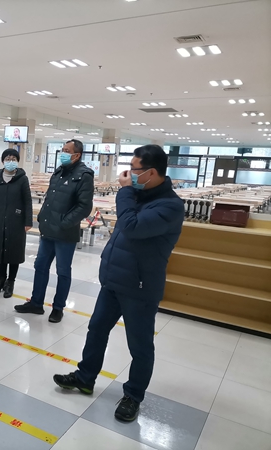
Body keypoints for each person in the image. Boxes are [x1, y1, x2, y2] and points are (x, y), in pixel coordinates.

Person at [53, 145, 184, 422]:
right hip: (114, 280)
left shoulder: (169, 206)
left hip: (140, 287)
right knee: (97, 330)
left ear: (151, 172)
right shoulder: (138, 195)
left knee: (139, 345)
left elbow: (132, 227)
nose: (128, 174)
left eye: (134, 169)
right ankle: (85, 377)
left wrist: (124, 192)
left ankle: (133, 395)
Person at [14, 139, 94, 323]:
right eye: (62, 149)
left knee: (63, 271)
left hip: (65, 233)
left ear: (77, 155)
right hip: (48, 229)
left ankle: (58, 308)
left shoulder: (84, 175)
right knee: (40, 266)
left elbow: (84, 207)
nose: (63, 153)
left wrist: (64, 223)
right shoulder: (58, 172)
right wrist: (43, 216)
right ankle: (36, 303)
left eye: (67, 150)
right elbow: (50, 198)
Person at [0, 149, 32, 298]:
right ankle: (1, 280)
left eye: (13, 159)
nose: (10, 161)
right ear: (3, 161)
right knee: (0, 251)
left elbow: (27, 200)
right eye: (7, 159)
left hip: (16, 221)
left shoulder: (22, 178)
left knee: (14, 252)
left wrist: (28, 221)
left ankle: (11, 282)